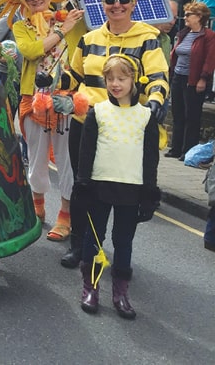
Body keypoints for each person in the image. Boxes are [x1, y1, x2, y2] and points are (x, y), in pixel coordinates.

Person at [63, 0, 169, 269]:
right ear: (103, 5)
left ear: (134, 4)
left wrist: (157, 101)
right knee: (83, 185)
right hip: (87, 121)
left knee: (122, 189)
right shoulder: (90, 38)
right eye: (110, 1)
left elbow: (159, 76)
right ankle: (79, 246)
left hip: (127, 126)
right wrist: (52, 84)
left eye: (123, 0)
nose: (117, 6)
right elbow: (73, 75)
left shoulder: (147, 37)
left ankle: (121, 254)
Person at [75, 55, 160, 320]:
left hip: (131, 191)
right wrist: (83, 185)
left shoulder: (146, 117)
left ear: (134, 80)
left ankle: (121, 293)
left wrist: (149, 194)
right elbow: (86, 153)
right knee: (94, 239)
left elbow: (150, 159)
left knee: (123, 242)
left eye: (121, 78)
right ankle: (91, 288)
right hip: (100, 187)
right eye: (110, 79)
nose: (115, 84)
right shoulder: (97, 112)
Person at [8, 0, 86, 243]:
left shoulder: (73, 19)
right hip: (33, 97)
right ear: (23, 0)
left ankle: (65, 215)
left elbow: (106, 22)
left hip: (66, 96)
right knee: (36, 157)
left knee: (66, 160)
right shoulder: (21, 26)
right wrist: (62, 31)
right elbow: (31, 51)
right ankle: (37, 206)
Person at [165, 1, 215, 159]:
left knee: (191, 115)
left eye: (188, 15)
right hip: (178, 77)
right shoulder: (183, 33)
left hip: (193, 78)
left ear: (199, 17)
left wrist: (203, 78)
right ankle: (176, 148)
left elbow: (209, 59)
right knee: (177, 113)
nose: (184, 17)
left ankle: (187, 150)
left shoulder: (208, 36)